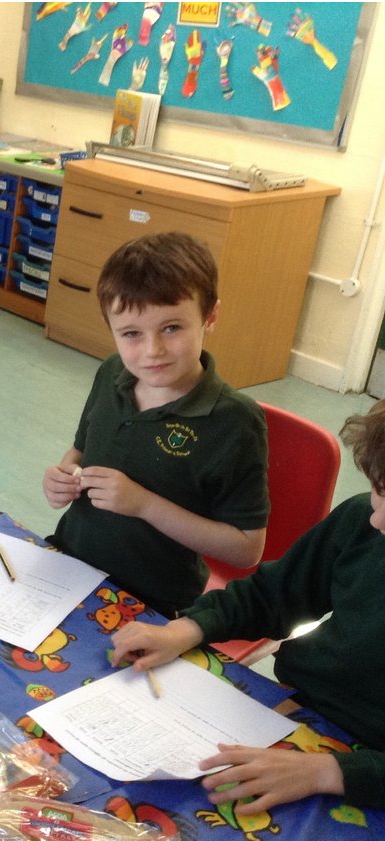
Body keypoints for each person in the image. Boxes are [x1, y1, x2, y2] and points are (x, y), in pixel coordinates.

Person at [112, 400, 385, 813]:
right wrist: (189, 629)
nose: (376, 520)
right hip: (302, 711)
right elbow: (273, 596)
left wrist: (328, 772)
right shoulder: (362, 521)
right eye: (379, 491)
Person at [42, 231, 268, 617]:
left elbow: (247, 548)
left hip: (152, 603)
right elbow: (80, 452)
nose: (153, 351)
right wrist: (62, 476)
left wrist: (143, 504)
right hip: (69, 567)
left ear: (210, 315)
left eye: (172, 328)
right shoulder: (112, 372)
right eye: (131, 334)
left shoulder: (235, 423)